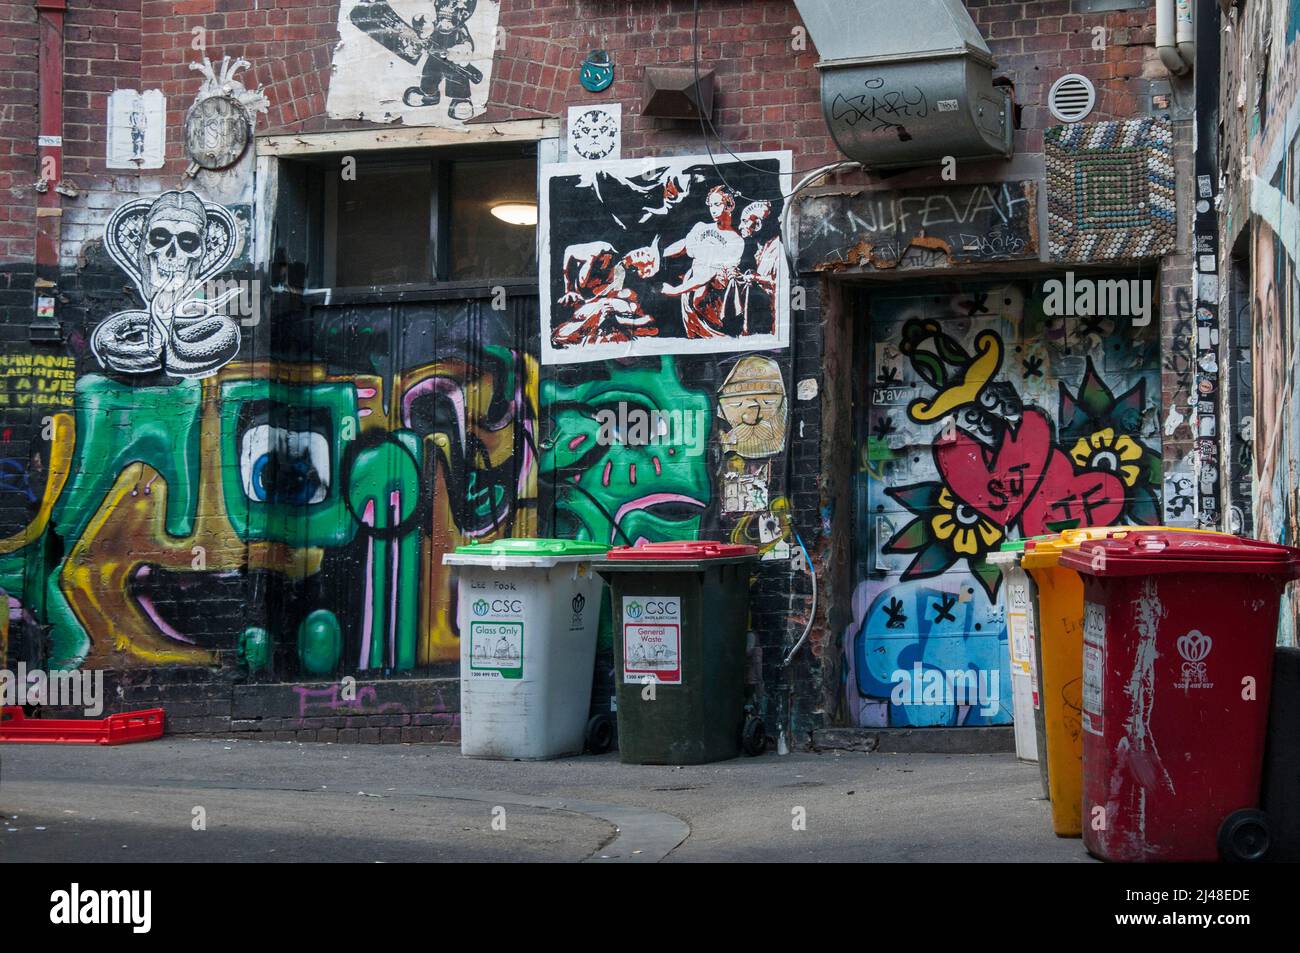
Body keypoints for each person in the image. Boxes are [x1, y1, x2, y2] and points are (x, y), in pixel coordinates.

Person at [660, 186, 744, 338]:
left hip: (706, 298)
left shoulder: (735, 240)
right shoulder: (701, 227)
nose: (713, 210)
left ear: (729, 205)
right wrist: (659, 255)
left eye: (717, 204)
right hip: (690, 291)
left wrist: (675, 290)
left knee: (700, 300)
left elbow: (708, 275)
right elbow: (684, 246)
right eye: (711, 205)